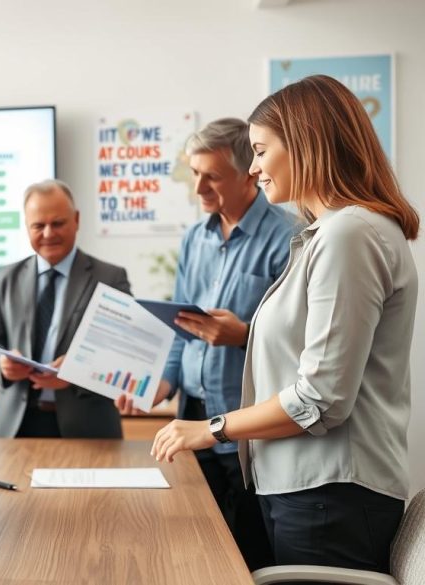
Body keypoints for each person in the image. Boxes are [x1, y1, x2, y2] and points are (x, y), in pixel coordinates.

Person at [152, 75, 419, 573]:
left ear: (303, 145)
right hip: (303, 489)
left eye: (258, 150)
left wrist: (211, 429)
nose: (253, 167)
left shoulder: (350, 235)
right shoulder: (327, 235)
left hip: (327, 494)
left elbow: (321, 399)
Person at [116, 118, 295, 569]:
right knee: (199, 541)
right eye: (194, 173)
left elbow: (296, 343)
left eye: (211, 175)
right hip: (192, 413)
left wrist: (242, 335)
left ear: (248, 173)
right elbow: (182, 325)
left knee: (250, 548)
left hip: (247, 422)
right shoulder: (195, 238)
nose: (198, 188)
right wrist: (164, 382)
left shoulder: (287, 237)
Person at [0, 179, 131, 438]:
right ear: (27, 227)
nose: (48, 233)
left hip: (87, 430)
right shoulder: (6, 277)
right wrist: (0, 363)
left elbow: (125, 351)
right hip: (16, 427)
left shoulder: (110, 278)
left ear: (76, 220)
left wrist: (78, 372)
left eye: (57, 223)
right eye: (39, 225)